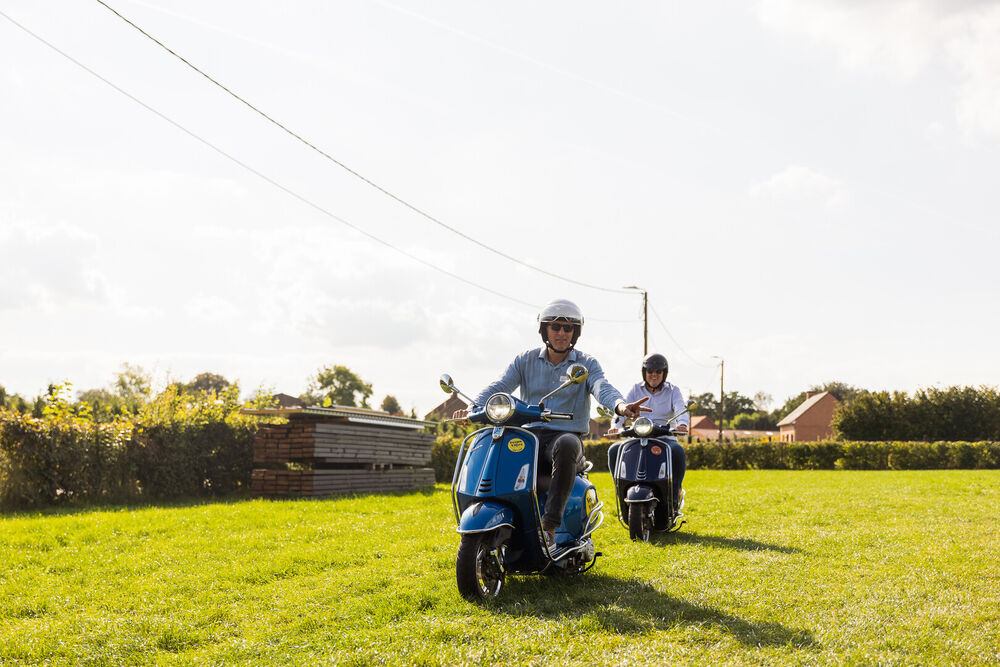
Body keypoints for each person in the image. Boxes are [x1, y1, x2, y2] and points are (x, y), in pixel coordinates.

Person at [453, 298, 650, 550]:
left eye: (568, 328)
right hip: (529, 437)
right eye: (555, 327)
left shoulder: (585, 364)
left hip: (565, 438)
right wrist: (472, 407)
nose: (561, 333)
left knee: (566, 443)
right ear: (544, 329)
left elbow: (602, 387)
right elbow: (499, 386)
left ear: (575, 333)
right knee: (497, 444)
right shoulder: (524, 360)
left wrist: (621, 406)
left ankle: (550, 526)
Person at [610, 352, 688, 506]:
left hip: (664, 436)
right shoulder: (635, 389)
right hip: (638, 436)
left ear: (664, 373)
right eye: (650, 371)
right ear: (644, 372)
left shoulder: (673, 391)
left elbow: (681, 408)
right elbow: (624, 409)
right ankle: (621, 495)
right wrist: (615, 426)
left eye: (658, 371)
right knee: (614, 450)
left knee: (677, 451)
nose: (654, 375)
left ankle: (674, 495)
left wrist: (683, 424)